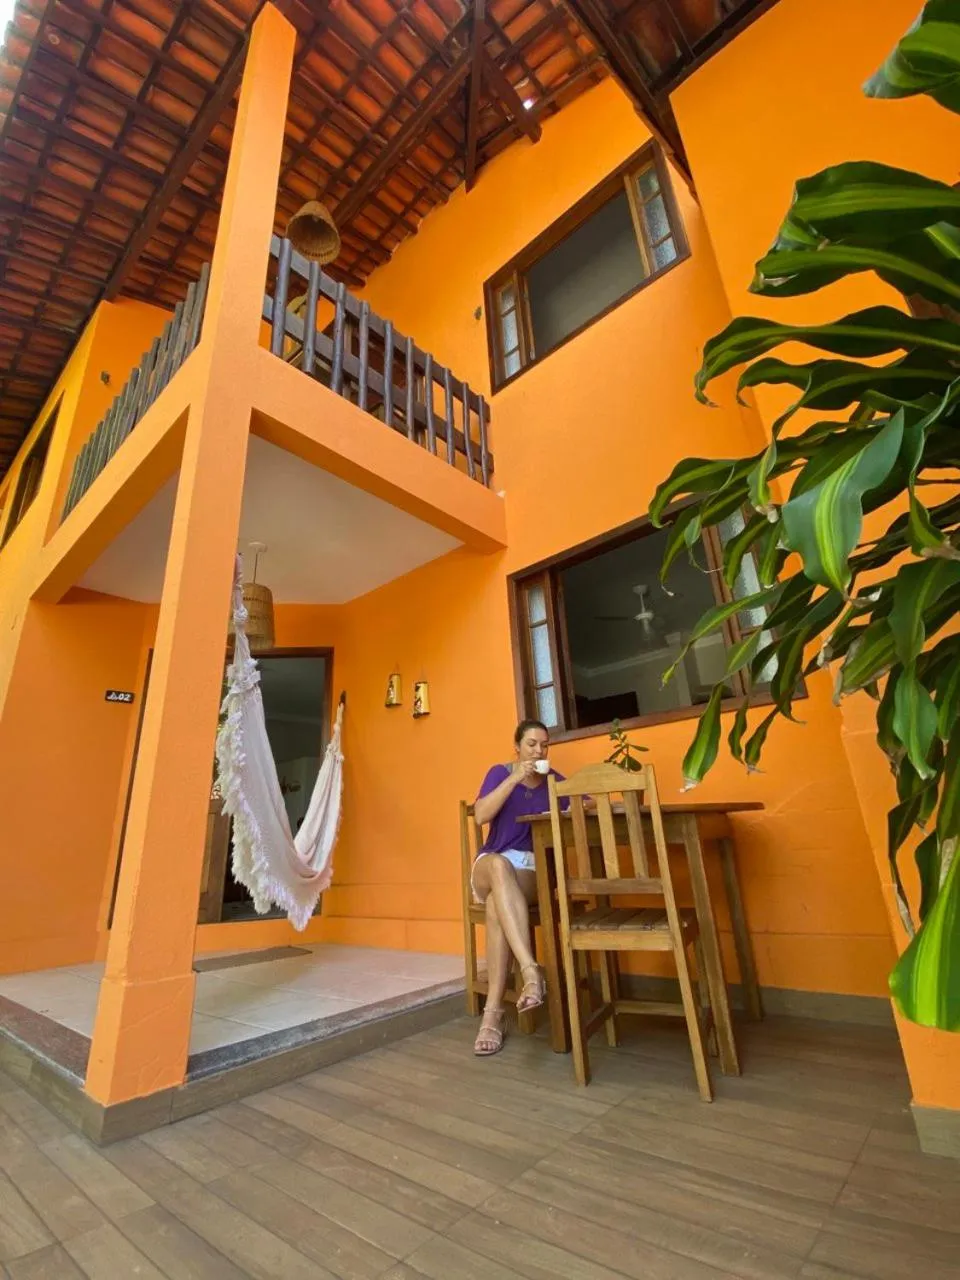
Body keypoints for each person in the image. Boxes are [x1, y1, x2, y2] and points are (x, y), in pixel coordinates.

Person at [470, 718, 566, 1057]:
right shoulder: (500, 772)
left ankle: (492, 1016)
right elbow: (481, 816)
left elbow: (581, 804)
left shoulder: (555, 783)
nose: (538, 750)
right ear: (517, 746)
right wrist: (516, 777)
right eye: (531, 744)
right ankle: (530, 969)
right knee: (498, 866)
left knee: (499, 901)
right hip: (490, 862)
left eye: (544, 745)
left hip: (528, 870)